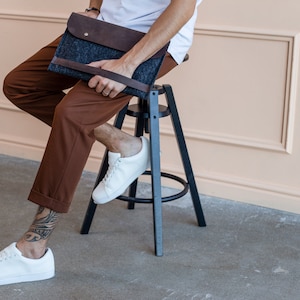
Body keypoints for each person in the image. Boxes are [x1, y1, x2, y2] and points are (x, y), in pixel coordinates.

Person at [0, 0, 203, 285]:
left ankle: (33, 251)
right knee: (20, 84)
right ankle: (124, 144)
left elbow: (183, 8)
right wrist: (95, 9)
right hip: (103, 29)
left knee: (72, 116)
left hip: (150, 45)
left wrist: (127, 65)